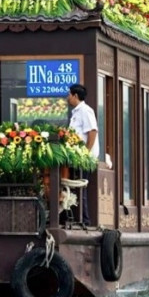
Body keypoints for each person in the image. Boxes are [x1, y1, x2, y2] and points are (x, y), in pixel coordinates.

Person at [67, 83, 99, 224]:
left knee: (81, 187)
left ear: (75, 96)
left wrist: (86, 152)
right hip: (76, 157)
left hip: (84, 158)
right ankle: (77, 218)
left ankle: (85, 220)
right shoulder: (76, 113)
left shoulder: (86, 111)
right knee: (75, 187)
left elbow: (92, 131)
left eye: (69, 95)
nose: (67, 98)